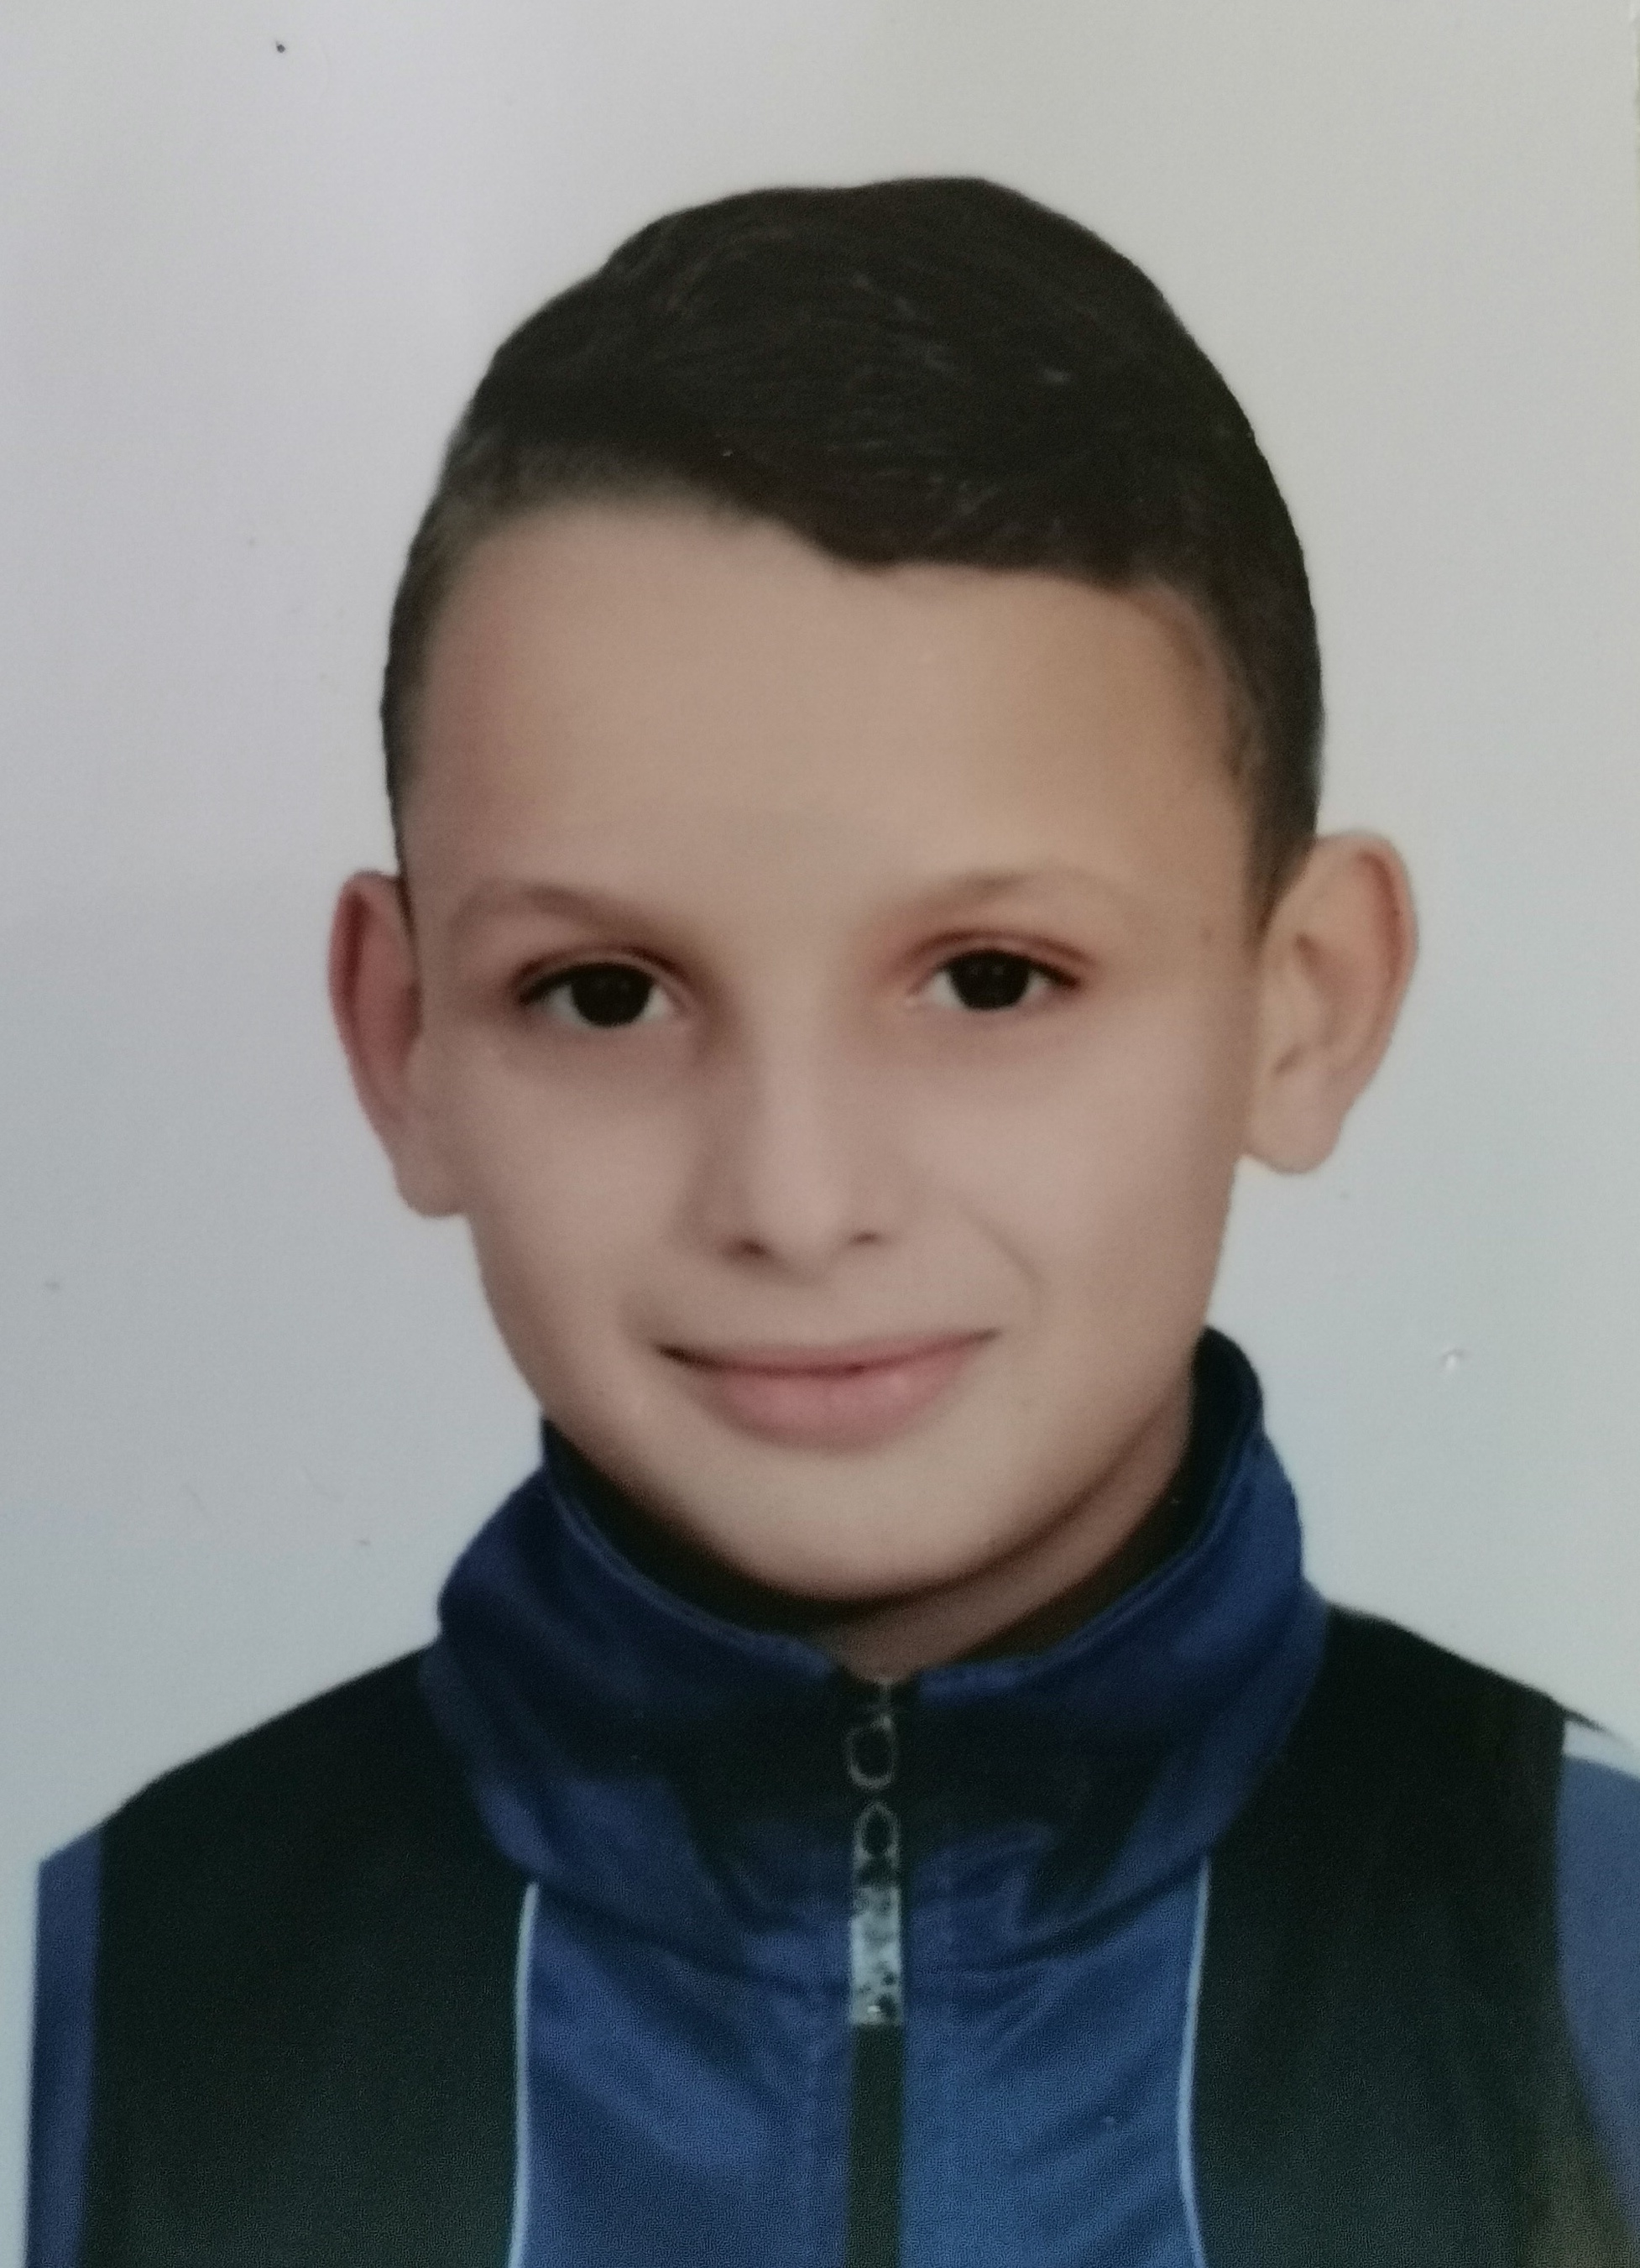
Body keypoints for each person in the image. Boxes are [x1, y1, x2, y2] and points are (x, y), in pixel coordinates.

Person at [26, 176, 1640, 2268]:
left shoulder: (1591, 1958)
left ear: (1300, 1003)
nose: (793, 1200)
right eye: (604, 995)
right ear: (404, 1035)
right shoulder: (100, 2005)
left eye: (989, 978)